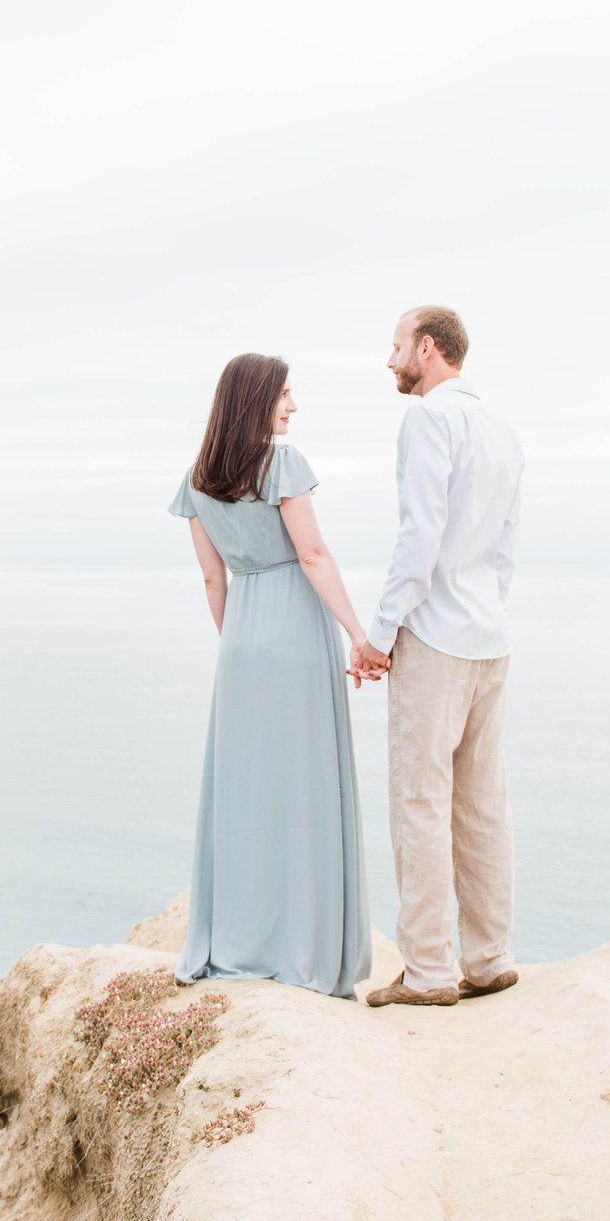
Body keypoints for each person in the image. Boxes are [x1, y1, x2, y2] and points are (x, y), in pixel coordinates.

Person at [169, 352, 375, 999]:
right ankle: (302, 945)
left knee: (245, 792)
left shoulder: (198, 479)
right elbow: (312, 554)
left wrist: (238, 643)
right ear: (256, 398)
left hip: (241, 644)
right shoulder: (282, 464)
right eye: (285, 395)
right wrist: (358, 633)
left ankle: (238, 938)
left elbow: (212, 576)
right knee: (303, 788)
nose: (293, 407)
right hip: (294, 633)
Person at [352, 305, 526, 1010]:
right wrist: (489, 608)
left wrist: (382, 634)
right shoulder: (502, 429)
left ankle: (426, 969)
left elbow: (418, 535)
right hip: (490, 635)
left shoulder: (428, 419)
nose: (389, 359)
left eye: (396, 346)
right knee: (483, 802)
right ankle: (489, 957)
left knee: (420, 801)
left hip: (436, 636)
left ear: (429, 349)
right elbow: (507, 546)